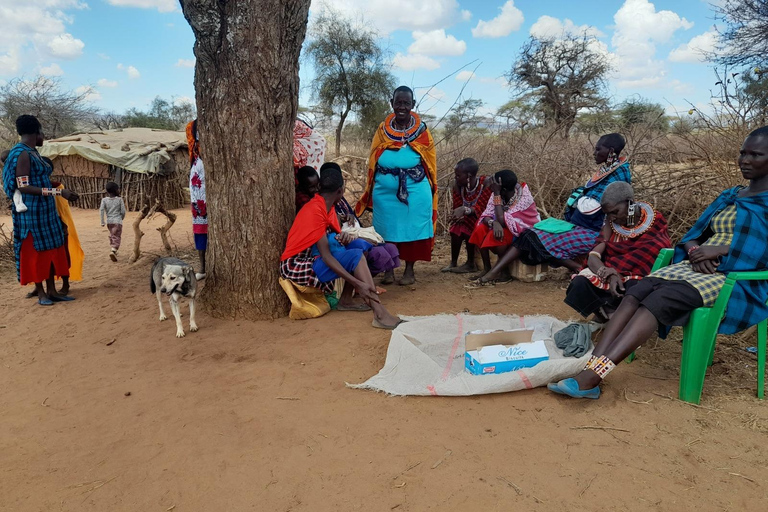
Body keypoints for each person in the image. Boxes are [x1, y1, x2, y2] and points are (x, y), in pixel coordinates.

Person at [549, 127, 768, 399]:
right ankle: (591, 363)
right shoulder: (730, 196)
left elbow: (759, 250)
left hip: (735, 276)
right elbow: (693, 235)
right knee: (636, 293)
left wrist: (721, 250)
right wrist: (695, 250)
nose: (744, 160)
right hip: (697, 265)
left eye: (755, 154)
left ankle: (593, 376)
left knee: (659, 301)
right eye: (742, 153)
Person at [476, 133, 631, 284]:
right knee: (530, 235)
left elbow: (590, 207)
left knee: (536, 239)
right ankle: (495, 272)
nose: (594, 153)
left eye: (598, 149)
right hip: (582, 226)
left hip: (597, 233)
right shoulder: (610, 171)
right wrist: (580, 197)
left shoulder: (618, 174)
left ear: (610, 151)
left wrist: (578, 197)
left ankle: (495, 273)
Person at [280, 165, 402, 329]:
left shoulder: (326, 207)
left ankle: (346, 300)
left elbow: (335, 236)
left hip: (311, 258)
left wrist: (344, 237)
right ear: (340, 191)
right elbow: (326, 256)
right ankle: (379, 313)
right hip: (295, 264)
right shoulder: (315, 210)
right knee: (355, 256)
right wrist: (357, 283)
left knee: (358, 252)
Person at [355, 85, 437, 286]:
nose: (402, 107)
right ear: (392, 103)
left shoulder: (422, 131)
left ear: (413, 105)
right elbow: (374, 156)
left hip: (416, 190)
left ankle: (409, 270)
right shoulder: (382, 130)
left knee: (413, 230)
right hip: (385, 192)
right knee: (385, 230)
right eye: (398, 102)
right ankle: (388, 270)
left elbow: (430, 161)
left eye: (406, 103)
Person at [563, 182, 671, 323]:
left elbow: (658, 250)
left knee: (635, 288)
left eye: (615, 212)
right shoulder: (610, 224)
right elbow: (593, 256)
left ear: (630, 203)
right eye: (608, 214)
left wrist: (618, 275)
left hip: (637, 281)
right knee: (579, 283)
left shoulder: (655, 221)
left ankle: (622, 319)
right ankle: (609, 315)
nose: (612, 217)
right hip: (609, 278)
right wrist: (609, 273)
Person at [2, 115, 79, 305]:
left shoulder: (32, 152)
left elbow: (38, 180)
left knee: (51, 250)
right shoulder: (22, 154)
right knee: (36, 253)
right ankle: (42, 294)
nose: (44, 136)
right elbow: (24, 186)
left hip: (46, 211)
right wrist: (57, 192)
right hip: (32, 213)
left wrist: (57, 189)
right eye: (42, 132)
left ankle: (52, 291)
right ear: (36, 132)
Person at [468, 170, 540, 283]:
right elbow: (486, 215)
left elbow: (502, 221)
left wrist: (496, 195)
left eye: (495, 185)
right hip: (504, 226)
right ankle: (487, 268)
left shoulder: (523, 198)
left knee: (496, 234)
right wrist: (493, 223)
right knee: (481, 228)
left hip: (522, 232)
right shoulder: (499, 193)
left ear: (503, 189)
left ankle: (505, 273)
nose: (492, 186)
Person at [442, 158, 492, 274]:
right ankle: (453, 262)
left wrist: (466, 210)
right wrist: (457, 215)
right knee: (456, 227)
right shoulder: (459, 186)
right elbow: (458, 206)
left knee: (468, 227)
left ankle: (470, 263)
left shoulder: (485, 184)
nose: (456, 178)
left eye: (458, 175)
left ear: (469, 175)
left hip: (485, 219)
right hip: (469, 218)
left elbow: (484, 209)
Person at [186, 120, 207, 280]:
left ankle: (205, 267)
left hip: (211, 198)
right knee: (201, 232)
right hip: (199, 198)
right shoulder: (195, 160)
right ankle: (203, 267)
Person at [99, 181, 126, 262]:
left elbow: (101, 210)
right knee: (117, 236)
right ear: (116, 190)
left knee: (112, 234)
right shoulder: (119, 200)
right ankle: (113, 250)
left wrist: (102, 221)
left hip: (109, 222)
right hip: (118, 221)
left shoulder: (104, 200)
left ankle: (113, 249)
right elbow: (123, 211)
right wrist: (121, 218)